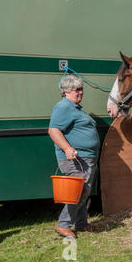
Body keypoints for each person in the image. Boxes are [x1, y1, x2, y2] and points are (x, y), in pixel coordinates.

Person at [48, 74, 100, 238]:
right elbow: (53, 130)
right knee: (78, 192)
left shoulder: (75, 108)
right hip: (76, 159)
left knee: (84, 192)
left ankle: (82, 224)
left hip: (86, 158)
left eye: (81, 89)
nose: (80, 92)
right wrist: (67, 148)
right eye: (77, 90)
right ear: (66, 92)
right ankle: (63, 225)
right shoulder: (63, 107)